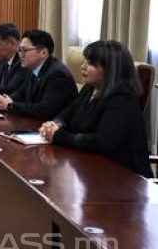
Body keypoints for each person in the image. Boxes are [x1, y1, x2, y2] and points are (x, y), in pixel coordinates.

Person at [39, 40, 152, 178]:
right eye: (84, 61)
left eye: (91, 63)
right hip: (91, 168)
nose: (83, 66)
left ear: (109, 69)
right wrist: (55, 124)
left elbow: (102, 142)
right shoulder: (90, 89)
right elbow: (65, 115)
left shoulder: (122, 98)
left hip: (124, 177)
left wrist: (60, 136)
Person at [0, 29, 77, 120]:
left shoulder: (57, 75)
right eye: (20, 50)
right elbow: (21, 92)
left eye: (25, 50)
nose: (21, 55)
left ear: (43, 53)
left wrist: (10, 105)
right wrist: (5, 99)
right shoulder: (32, 68)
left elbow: (45, 110)